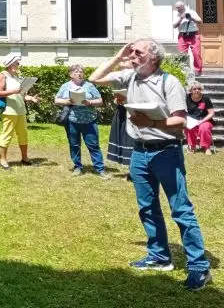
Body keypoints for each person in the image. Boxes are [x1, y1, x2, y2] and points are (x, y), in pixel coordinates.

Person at [89, 38, 212, 291]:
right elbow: (95, 78)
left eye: (137, 52)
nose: (132, 55)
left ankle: (199, 267)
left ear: (152, 58)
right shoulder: (130, 76)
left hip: (166, 152)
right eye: (131, 52)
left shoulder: (170, 82)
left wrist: (152, 124)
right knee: (147, 207)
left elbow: (179, 120)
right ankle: (159, 256)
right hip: (140, 153)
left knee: (181, 209)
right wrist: (118, 56)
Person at [54, 64, 108, 178]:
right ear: (70, 74)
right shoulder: (65, 86)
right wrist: (67, 101)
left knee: (93, 145)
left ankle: (100, 169)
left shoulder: (89, 86)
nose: (79, 73)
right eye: (76, 72)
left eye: (81, 71)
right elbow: (57, 100)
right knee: (74, 145)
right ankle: (77, 166)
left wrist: (90, 103)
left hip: (89, 120)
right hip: (72, 120)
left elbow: (100, 100)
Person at [0, 55, 40, 170]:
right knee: (7, 134)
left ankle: (25, 158)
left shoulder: (16, 77)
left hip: (21, 110)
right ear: (10, 64)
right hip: (9, 110)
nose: (19, 65)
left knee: (23, 135)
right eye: (17, 63)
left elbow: (22, 94)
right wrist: (14, 91)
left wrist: (31, 98)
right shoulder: (2, 75)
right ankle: (3, 160)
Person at [106, 62, 134, 178]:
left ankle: (135, 172)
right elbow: (116, 97)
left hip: (134, 113)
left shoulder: (138, 78)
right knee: (124, 141)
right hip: (122, 112)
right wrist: (117, 100)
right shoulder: (119, 80)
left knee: (132, 142)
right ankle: (131, 171)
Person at [184, 81, 215, 155]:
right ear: (191, 90)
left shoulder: (206, 98)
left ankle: (206, 147)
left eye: (199, 89)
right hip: (192, 120)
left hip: (205, 120)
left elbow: (211, 113)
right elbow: (183, 111)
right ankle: (192, 146)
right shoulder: (186, 98)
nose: (197, 90)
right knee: (189, 127)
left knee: (204, 128)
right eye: (194, 89)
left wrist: (202, 121)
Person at [173, 1, 203, 76]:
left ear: (183, 6)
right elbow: (174, 26)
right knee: (182, 54)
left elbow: (200, 21)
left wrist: (191, 18)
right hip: (182, 36)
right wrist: (181, 18)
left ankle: (198, 71)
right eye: (176, 7)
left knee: (196, 53)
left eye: (179, 7)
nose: (177, 9)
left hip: (193, 35)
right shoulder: (176, 14)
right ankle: (184, 70)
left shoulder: (191, 12)